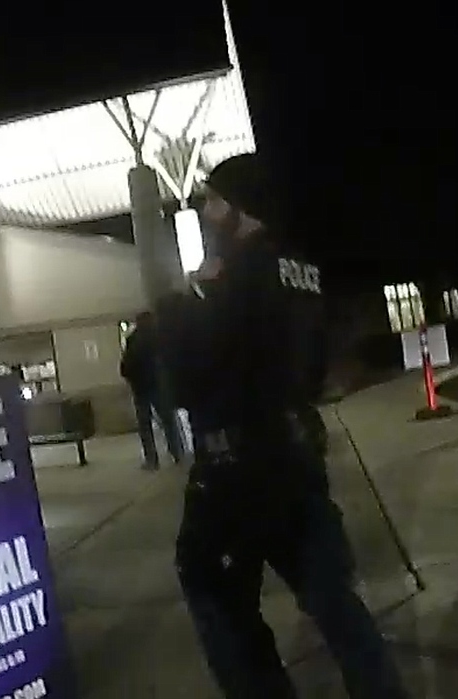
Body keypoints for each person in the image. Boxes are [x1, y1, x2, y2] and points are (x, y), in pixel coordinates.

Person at [155, 155, 407, 698]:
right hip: (297, 457)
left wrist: (179, 307)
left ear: (240, 208)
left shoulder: (230, 278)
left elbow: (184, 382)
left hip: (237, 472)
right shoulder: (303, 270)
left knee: (212, 589)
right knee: (336, 604)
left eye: (213, 199)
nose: (204, 210)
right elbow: (315, 365)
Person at [120, 312, 184, 467]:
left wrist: (132, 378)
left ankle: (151, 459)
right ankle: (177, 453)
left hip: (140, 388)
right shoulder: (160, 337)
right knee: (168, 421)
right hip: (158, 385)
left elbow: (126, 365)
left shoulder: (133, 339)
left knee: (145, 425)